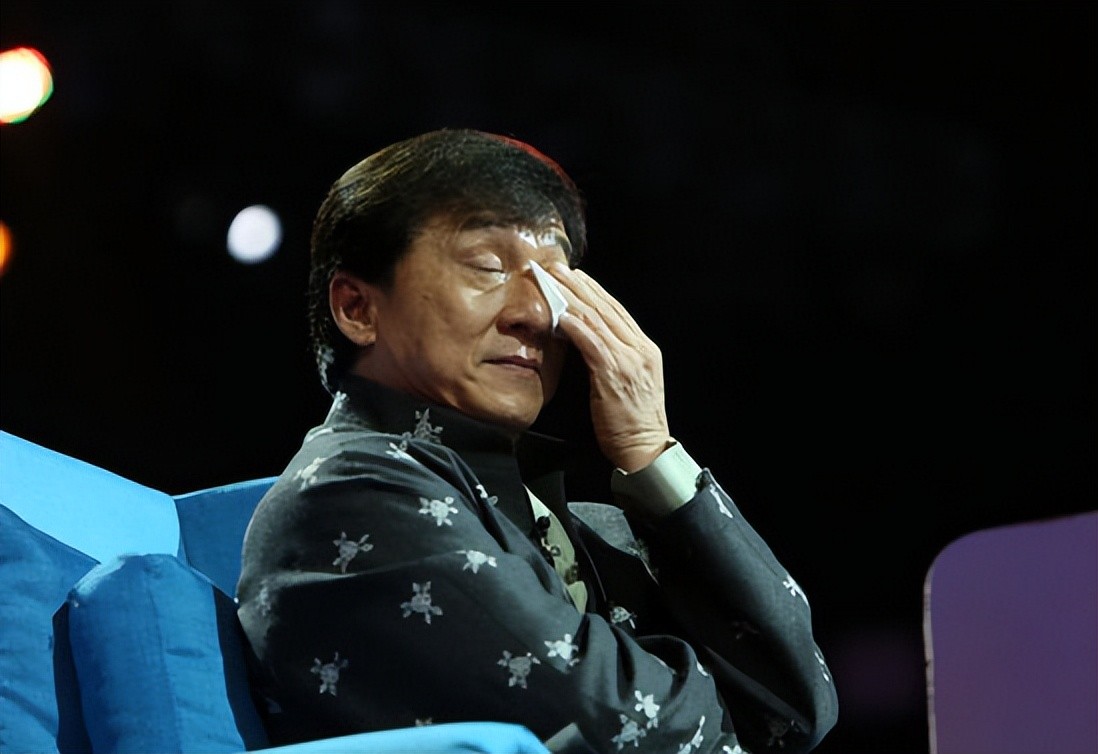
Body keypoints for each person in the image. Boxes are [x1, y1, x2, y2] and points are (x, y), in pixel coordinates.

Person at [236, 128, 838, 754]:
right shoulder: (353, 493)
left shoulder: (589, 526)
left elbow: (794, 709)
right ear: (358, 308)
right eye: (487, 267)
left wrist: (651, 452)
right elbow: (625, 730)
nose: (538, 314)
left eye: (557, 280)